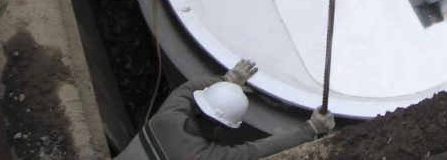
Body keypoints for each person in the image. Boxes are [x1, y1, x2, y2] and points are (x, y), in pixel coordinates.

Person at [115, 59, 336, 159]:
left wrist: (228, 79)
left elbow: (188, 89)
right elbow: (257, 151)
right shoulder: (203, 156)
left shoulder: (171, 113)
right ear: (221, 130)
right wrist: (310, 128)